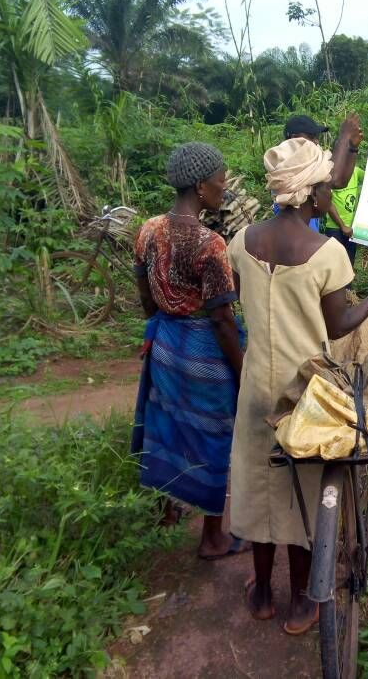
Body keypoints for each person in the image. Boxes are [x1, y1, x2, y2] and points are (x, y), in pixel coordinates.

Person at [228, 114, 368, 635]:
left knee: (259, 484)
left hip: (254, 387)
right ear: (312, 192)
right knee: (302, 494)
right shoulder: (327, 252)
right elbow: (339, 326)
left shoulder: (241, 242)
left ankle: (261, 591)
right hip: (304, 390)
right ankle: (305, 603)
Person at [132, 142, 248, 560]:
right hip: (205, 353)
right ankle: (213, 536)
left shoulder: (147, 230)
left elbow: (144, 293)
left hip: (165, 346)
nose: (224, 188)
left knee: (171, 426)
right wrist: (243, 369)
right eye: (220, 181)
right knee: (213, 436)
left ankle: (168, 512)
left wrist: (165, 323)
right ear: (201, 186)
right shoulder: (209, 243)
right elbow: (221, 318)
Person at [324, 163, 364, 268]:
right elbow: (328, 203)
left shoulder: (356, 171)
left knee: (348, 264)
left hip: (352, 228)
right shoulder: (331, 173)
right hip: (335, 228)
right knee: (333, 265)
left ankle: (347, 285)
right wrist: (342, 226)